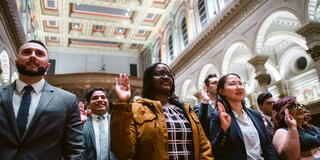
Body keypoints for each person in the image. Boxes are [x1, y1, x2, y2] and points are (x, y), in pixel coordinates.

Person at [0, 40, 84, 159]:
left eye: (39, 53)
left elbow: (75, 149)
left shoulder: (67, 100)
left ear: (48, 66)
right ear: (16, 61)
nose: (33, 56)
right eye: (27, 52)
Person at [110, 63, 213, 160]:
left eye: (169, 74)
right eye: (160, 74)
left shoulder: (185, 109)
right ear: (149, 80)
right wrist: (121, 105)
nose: (166, 77)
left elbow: (203, 146)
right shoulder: (136, 109)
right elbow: (123, 152)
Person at [210, 73, 278, 160]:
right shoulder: (218, 116)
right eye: (232, 84)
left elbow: (268, 147)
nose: (238, 87)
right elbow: (216, 151)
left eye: (240, 83)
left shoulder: (255, 115)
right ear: (222, 91)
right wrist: (223, 130)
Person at [83, 87, 117, 160]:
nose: (100, 100)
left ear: (107, 101)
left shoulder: (117, 122)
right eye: (95, 98)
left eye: (103, 97)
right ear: (89, 104)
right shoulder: (83, 125)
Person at [194, 73, 219, 140]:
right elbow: (200, 127)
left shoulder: (225, 104)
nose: (218, 85)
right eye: (214, 83)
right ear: (207, 88)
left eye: (219, 82)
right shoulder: (199, 107)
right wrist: (205, 101)